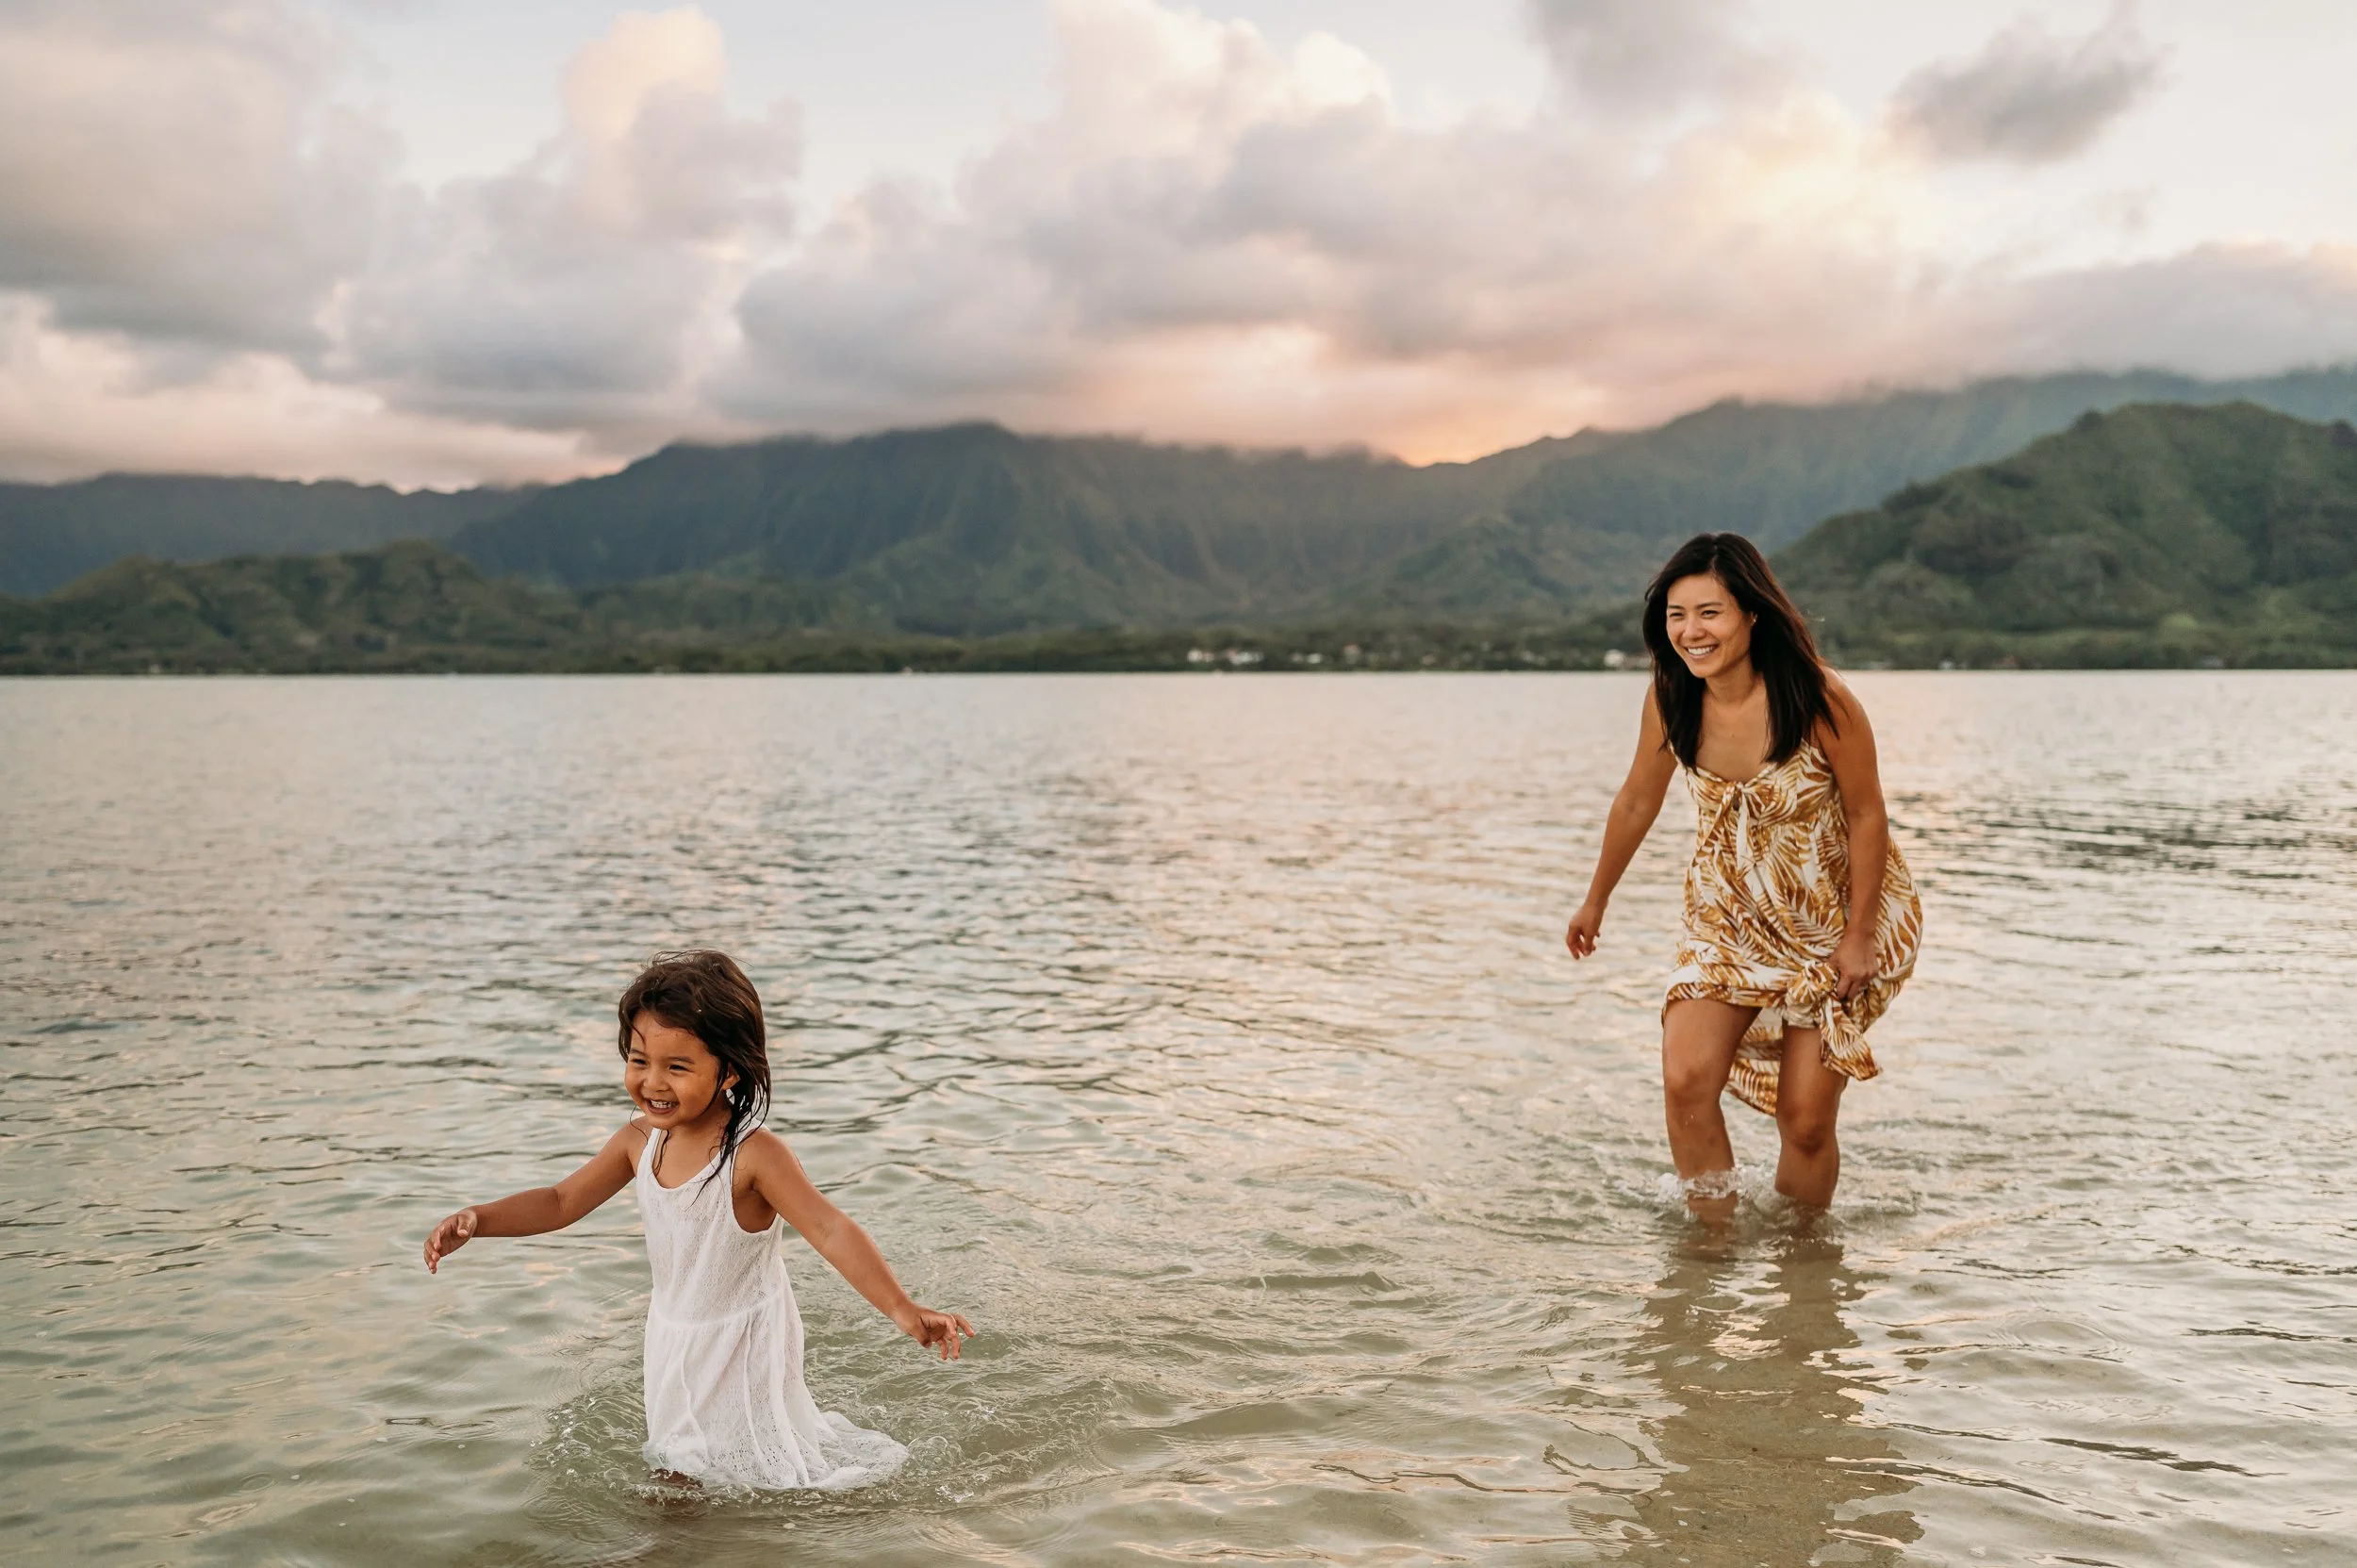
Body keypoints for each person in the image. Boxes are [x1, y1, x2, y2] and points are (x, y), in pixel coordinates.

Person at [421, 949, 974, 1490]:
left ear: (728, 1071)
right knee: (686, 1460)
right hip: (671, 1332)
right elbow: (562, 1202)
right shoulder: (639, 1139)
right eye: (639, 1061)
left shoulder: (754, 1156)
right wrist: (478, 1218)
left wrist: (902, 1309)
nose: (653, 1083)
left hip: (739, 1338)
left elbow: (829, 1229)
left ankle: (671, 1548)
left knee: (693, 1470)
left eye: (677, 1067)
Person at [1565, 534, 1921, 1217]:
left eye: (1710, 612)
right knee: (1686, 1078)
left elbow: (1868, 813)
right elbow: (1638, 798)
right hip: (1725, 917)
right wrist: (1595, 900)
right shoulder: (1671, 696)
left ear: (1752, 615)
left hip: (1827, 918)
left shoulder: (1818, 696)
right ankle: (1709, 1250)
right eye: (1676, 614)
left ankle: (1805, 1271)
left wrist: (1860, 934)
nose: (1691, 632)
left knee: (1807, 1118)